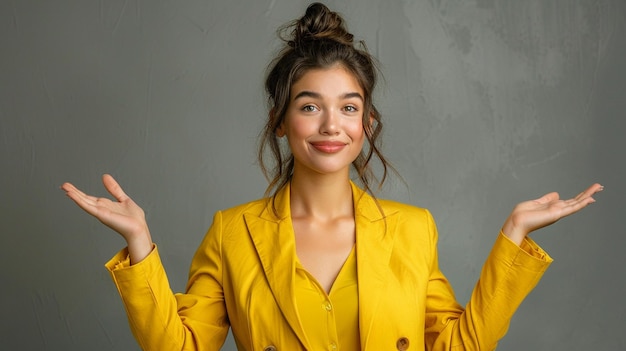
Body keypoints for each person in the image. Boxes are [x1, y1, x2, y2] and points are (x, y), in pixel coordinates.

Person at [61, 3, 603, 351]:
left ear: (367, 122)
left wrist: (514, 238)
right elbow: (178, 347)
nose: (329, 126)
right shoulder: (232, 232)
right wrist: (139, 244)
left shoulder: (414, 229)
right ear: (279, 120)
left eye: (348, 108)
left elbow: (456, 346)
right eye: (308, 106)